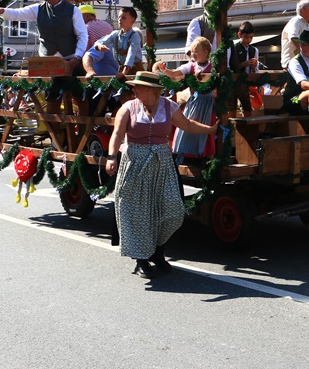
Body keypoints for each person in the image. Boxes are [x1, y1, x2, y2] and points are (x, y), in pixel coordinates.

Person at [105, 70, 219, 278]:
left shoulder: (169, 106)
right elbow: (117, 134)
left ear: (150, 89)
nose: (134, 89)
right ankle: (142, 259)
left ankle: (157, 251)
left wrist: (210, 130)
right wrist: (112, 157)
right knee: (137, 212)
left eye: (137, 86)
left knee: (172, 210)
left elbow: (186, 125)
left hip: (162, 163)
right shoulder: (128, 108)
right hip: (134, 163)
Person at [0, 0, 88, 76]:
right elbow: (18, 14)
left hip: (70, 60)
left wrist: (77, 56)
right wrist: (2, 11)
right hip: (46, 62)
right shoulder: (38, 9)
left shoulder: (73, 10)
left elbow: (82, 35)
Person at [155, 36, 217, 160]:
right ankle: (189, 155)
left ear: (205, 52)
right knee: (187, 125)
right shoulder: (191, 66)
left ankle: (208, 158)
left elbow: (215, 81)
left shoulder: (213, 67)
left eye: (196, 51)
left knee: (206, 129)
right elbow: (174, 74)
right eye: (192, 51)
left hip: (208, 103)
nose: (192, 54)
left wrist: (203, 76)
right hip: (194, 102)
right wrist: (164, 70)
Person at [94, 7, 144, 77]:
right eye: (119, 17)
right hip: (121, 69)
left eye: (123, 18)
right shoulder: (115, 34)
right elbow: (99, 42)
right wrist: (99, 46)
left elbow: (131, 53)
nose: (120, 20)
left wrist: (126, 69)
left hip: (135, 70)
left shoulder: (135, 36)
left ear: (132, 21)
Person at [227, 21, 259, 114]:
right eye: (245, 37)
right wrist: (244, 64)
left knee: (248, 109)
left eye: (251, 37)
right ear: (239, 35)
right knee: (232, 109)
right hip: (233, 83)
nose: (248, 40)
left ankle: (248, 128)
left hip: (245, 84)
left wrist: (253, 67)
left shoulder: (254, 50)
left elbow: (254, 72)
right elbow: (231, 67)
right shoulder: (233, 48)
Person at [280, 0, 309, 69]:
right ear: (303, 9)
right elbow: (293, 38)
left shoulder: (306, 25)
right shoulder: (296, 21)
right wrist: (305, 53)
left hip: (301, 63)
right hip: (292, 63)